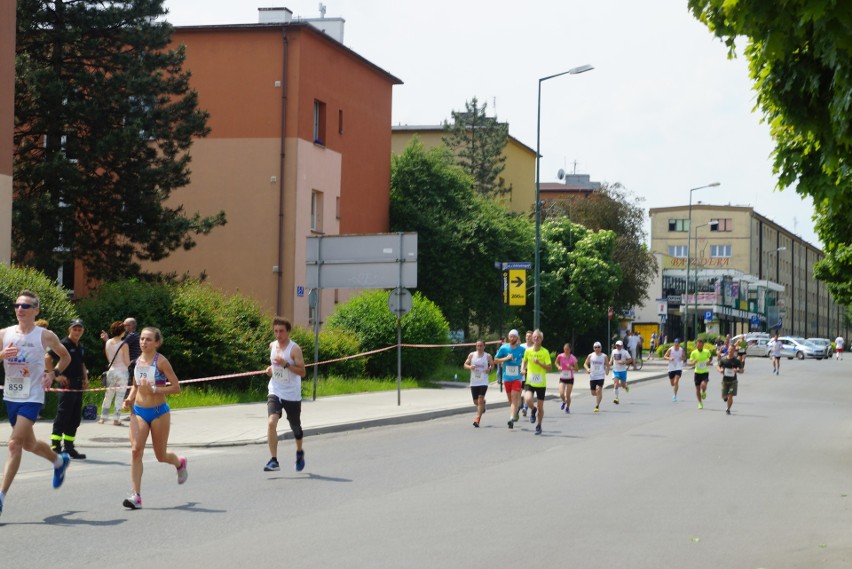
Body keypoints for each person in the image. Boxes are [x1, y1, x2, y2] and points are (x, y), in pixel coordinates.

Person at [0, 290, 72, 518]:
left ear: (36, 310)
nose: (20, 309)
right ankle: (59, 461)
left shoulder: (45, 335)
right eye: (17, 305)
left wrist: (53, 374)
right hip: (12, 395)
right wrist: (2, 355)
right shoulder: (4, 333)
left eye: (26, 306)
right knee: (29, 444)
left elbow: (66, 356)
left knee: (14, 444)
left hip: (32, 396)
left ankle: (1, 498)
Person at [121, 327, 187, 509]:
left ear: (157, 342)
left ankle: (179, 463)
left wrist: (156, 389)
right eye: (142, 339)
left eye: (148, 339)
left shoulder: (161, 362)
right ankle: (136, 496)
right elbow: (136, 385)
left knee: (160, 455)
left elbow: (176, 387)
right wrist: (129, 398)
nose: (144, 342)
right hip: (139, 411)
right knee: (136, 450)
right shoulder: (137, 362)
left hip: (159, 412)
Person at [263, 317, 307, 472]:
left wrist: (286, 365)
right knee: (271, 422)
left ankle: (299, 452)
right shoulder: (272, 346)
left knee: (295, 426)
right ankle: (274, 460)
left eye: (281, 331)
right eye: (276, 331)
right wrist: (270, 370)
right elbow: (274, 366)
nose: (278, 334)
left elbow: (302, 372)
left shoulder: (294, 349)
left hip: (291, 394)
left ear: (288, 331)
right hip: (275, 390)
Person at [49, 319, 89, 460]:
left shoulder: (80, 346)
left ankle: (69, 447)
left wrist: (86, 379)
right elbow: (48, 358)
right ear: (69, 329)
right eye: (74, 329)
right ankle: (55, 447)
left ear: (82, 331)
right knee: (63, 416)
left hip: (77, 385)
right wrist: (56, 376)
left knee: (75, 418)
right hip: (67, 385)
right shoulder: (63, 344)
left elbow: (82, 364)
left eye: (79, 329)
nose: (77, 332)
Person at [521, 330, 552, 435]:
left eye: (538, 337)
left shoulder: (545, 352)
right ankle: (533, 410)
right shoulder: (528, 351)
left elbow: (549, 368)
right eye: (534, 337)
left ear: (541, 339)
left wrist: (539, 363)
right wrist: (522, 368)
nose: (535, 338)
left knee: (540, 407)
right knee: (527, 399)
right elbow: (524, 360)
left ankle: (539, 425)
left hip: (541, 383)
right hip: (530, 381)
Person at [99, 320, 130, 426]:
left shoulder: (107, 342)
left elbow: (109, 359)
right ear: (121, 332)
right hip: (122, 372)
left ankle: (103, 418)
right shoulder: (124, 344)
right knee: (120, 396)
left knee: (108, 395)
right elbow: (127, 362)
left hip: (111, 371)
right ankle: (116, 419)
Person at [494, 329, 526, 429]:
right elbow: (495, 360)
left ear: (517, 338)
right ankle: (515, 411)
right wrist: (505, 359)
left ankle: (511, 418)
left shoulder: (521, 349)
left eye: (513, 336)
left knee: (513, 397)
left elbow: (526, 360)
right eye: (510, 336)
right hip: (507, 378)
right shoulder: (504, 348)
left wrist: (523, 368)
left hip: (517, 377)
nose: (512, 338)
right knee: (510, 400)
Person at [463, 340, 493, 427]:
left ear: (484, 346)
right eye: (478, 346)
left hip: (483, 381)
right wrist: (470, 367)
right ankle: (483, 405)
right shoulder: (472, 355)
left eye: (481, 346)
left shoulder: (488, 356)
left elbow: (492, 364)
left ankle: (477, 419)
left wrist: (489, 369)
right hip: (474, 381)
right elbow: (465, 365)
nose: (479, 348)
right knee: (476, 402)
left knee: (480, 400)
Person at [688, 337, 714, 409]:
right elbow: (689, 362)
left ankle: (704, 392)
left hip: (705, 371)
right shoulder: (693, 353)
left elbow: (710, 357)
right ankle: (700, 403)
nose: (699, 345)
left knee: (703, 385)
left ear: (703, 345)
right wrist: (693, 362)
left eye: (700, 344)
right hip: (697, 372)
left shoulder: (706, 351)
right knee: (697, 388)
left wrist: (709, 361)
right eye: (698, 344)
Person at [584, 342, 610, 412]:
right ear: (593, 348)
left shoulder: (604, 356)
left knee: (599, 390)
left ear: (601, 348)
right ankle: (599, 395)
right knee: (593, 393)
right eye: (595, 347)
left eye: (598, 347)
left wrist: (607, 371)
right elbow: (585, 364)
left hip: (601, 376)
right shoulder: (590, 356)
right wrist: (587, 369)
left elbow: (608, 365)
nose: (597, 349)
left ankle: (597, 406)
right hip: (593, 376)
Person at [717, 349, 744, 415]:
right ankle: (725, 398)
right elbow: (717, 366)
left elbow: (742, 370)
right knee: (724, 396)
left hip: (733, 381)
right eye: (729, 350)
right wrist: (720, 370)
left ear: (734, 351)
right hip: (725, 380)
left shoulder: (736, 361)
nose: (730, 351)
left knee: (730, 395)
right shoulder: (723, 360)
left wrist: (737, 370)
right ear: (728, 351)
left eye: (732, 350)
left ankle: (728, 409)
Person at [555, 343, 578, 414]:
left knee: (568, 395)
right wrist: (558, 367)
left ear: (570, 350)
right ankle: (564, 401)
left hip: (570, 378)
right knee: (561, 394)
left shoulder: (573, 358)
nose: (566, 351)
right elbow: (556, 363)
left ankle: (567, 407)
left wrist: (571, 367)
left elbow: (577, 369)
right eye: (565, 349)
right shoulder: (560, 356)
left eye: (567, 349)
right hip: (562, 377)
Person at [609, 340, 632, 404]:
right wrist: (610, 363)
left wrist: (624, 362)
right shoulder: (613, 351)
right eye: (617, 345)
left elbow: (630, 359)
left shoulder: (625, 352)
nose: (618, 346)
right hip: (615, 370)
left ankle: (626, 387)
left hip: (623, 371)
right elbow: (612, 358)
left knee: (623, 385)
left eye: (619, 345)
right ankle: (616, 398)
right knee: (616, 384)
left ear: (622, 346)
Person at [520, 330, 534, 416]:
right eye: (527, 336)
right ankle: (522, 403)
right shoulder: (521, 346)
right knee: (520, 390)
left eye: (530, 336)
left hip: (531, 371)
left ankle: (525, 406)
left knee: (528, 389)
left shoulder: (534, 347)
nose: (528, 337)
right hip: (521, 370)